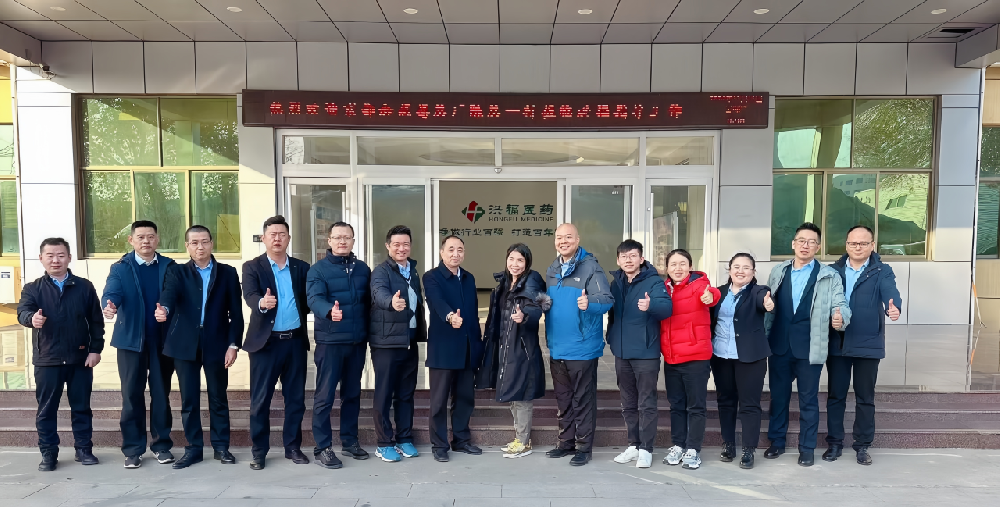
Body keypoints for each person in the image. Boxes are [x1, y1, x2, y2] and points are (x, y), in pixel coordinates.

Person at [155, 225, 244, 469]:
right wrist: (164, 309)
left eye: (204, 241)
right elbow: (169, 296)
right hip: (185, 343)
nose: (200, 247)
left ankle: (221, 447)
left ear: (212, 243)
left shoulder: (227, 273)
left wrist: (233, 344)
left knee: (218, 397)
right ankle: (193, 449)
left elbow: (236, 313)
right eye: (194, 243)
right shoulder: (177, 272)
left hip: (217, 342)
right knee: (189, 399)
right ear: (187, 246)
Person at [764, 222, 850, 467]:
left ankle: (807, 448)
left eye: (811, 242)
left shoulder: (829, 275)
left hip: (810, 346)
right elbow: (768, 301)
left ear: (818, 247)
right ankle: (776, 442)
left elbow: (840, 304)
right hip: (779, 344)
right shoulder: (779, 271)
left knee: (808, 400)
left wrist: (841, 318)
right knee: (778, 397)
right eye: (801, 240)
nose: (805, 245)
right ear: (793, 244)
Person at [18, 238, 104, 472]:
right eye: (50, 255)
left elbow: (96, 321)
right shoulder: (33, 288)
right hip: (47, 359)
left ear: (69, 257)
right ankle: (48, 453)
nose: (55, 260)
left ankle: (84, 449)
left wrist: (95, 349)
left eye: (60, 255)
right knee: (46, 410)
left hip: (80, 359)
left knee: (81, 407)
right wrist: (31, 319)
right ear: (41, 258)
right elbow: (23, 311)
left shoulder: (84, 287)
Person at [102, 221, 176, 469]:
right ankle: (133, 449)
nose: (146, 241)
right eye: (141, 237)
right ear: (131, 240)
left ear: (157, 239)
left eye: (151, 236)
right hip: (130, 341)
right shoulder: (120, 267)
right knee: (131, 395)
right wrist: (110, 305)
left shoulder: (168, 266)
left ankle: (162, 446)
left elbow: (173, 293)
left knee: (161, 394)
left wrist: (166, 308)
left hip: (161, 341)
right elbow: (112, 292)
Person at [824, 225, 901, 466]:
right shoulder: (833, 271)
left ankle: (863, 445)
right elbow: (824, 301)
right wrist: (830, 317)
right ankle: (834, 443)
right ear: (846, 245)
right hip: (838, 341)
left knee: (865, 397)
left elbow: (890, 291)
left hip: (868, 342)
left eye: (863, 243)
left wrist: (894, 306)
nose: (858, 247)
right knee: (836, 396)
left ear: (872, 245)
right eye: (853, 243)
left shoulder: (881, 270)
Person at [241, 216, 311, 470]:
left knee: (296, 399)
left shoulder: (302, 268)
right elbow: (250, 294)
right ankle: (259, 451)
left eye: (282, 234)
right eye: (272, 234)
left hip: (294, 342)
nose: (277, 238)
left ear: (289, 238)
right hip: (265, 344)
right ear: (264, 238)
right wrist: (261, 302)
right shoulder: (252, 266)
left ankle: (292, 447)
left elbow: (310, 299)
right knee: (260, 400)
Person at [542, 223, 613, 467]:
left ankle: (584, 447)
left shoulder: (591, 267)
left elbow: (607, 300)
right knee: (563, 399)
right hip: (558, 346)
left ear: (578, 239)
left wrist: (589, 303)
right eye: (559, 237)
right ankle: (566, 443)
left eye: (568, 237)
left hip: (582, 347)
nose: (563, 241)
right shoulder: (552, 268)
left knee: (583, 400)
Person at [306, 221, 371, 468]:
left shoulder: (363, 269)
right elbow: (314, 299)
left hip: (356, 342)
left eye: (347, 237)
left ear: (353, 241)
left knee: (352, 394)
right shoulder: (318, 270)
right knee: (325, 396)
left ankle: (350, 441)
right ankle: (322, 447)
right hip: (330, 342)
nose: (342, 241)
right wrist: (328, 311)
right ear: (329, 241)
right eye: (338, 237)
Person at [476, 243, 547, 459]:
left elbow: (539, 306)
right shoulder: (505, 282)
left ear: (527, 263)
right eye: (511, 259)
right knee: (514, 394)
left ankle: (524, 442)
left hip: (522, 347)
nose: (515, 264)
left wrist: (524, 316)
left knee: (522, 395)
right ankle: (520, 438)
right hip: (506, 345)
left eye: (520, 260)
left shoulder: (532, 280)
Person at [607, 240, 672, 469]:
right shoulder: (616, 283)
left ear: (641, 259)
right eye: (624, 256)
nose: (628, 260)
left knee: (646, 402)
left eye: (633, 255)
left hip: (646, 352)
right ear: (618, 260)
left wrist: (651, 305)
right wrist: (612, 338)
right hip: (622, 351)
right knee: (628, 402)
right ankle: (633, 445)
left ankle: (646, 448)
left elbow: (667, 309)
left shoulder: (654, 281)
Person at [709, 253, 773, 470]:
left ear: (753, 272)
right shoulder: (718, 293)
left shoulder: (758, 291)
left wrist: (767, 303)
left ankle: (748, 449)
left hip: (750, 356)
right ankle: (728, 444)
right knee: (725, 401)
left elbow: (763, 300)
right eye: (736, 267)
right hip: (720, 355)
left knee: (749, 404)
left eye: (746, 267)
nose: (740, 271)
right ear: (729, 270)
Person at [423, 235, 484, 462]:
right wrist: (450, 317)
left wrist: (478, 344)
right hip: (443, 348)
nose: (455, 254)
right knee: (439, 401)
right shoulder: (432, 277)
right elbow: (436, 302)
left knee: (465, 398)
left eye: (460, 250)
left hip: (467, 348)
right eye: (450, 249)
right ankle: (439, 445)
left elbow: (474, 314)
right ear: (442, 252)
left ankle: (461, 440)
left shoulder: (468, 278)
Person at [659, 248, 720, 470]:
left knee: (696, 405)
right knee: (676, 405)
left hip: (695, 357)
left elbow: (712, 294)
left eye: (682, 264)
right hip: (672, 357)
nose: (678, 268)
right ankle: (678, 445)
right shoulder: (663, 289)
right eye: (673, 264)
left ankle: (693, 448)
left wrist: (711, 296)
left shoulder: (698, 285)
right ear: (667, 268)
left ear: (690, 267)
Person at [369, 225, 426, 463]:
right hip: (386, 342)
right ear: (388, 246)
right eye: (396, 244)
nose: (401, 248)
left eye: (406, 244)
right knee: (384, 393)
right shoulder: (381, 271)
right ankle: (384, 443)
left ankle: (404, 438)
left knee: (405, 393)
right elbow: (378, 293)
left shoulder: (413, 271)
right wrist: (390, 302)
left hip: (409, 339)